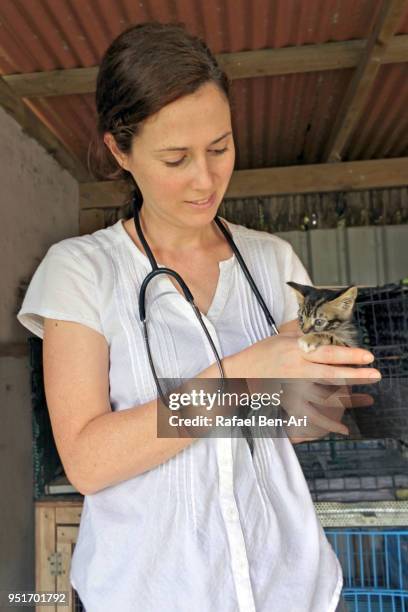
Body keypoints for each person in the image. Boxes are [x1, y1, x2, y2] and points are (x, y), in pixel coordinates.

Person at [17, 22, 380, 612]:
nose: (206, 179)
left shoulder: (272, 261)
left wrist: (333, 389)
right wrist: (238, 375)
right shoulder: (81, 271)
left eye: (220, 147)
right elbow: (87, 460)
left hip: (292, 589)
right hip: (149, 593)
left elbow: (309, 420)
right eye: (175, 157)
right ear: (119, 150)